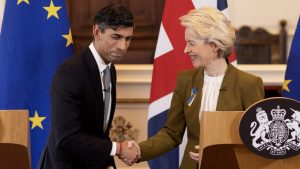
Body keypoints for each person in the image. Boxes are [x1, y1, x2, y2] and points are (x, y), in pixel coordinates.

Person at [120, 7, 264, 169]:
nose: (186, 49)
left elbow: (257, 140)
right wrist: (140, 150)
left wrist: (218, 154)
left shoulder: (249, 84)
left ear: (214, 45)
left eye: (191, 43)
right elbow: (171, 134)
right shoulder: (186, 81)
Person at [38, 4, 139, 169]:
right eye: (116, 37)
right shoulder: (70, 72)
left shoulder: (109, 69)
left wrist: (107, 163)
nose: (123, 46)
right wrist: (118, 148)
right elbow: (67, 138)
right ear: (97, 32)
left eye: (128, 39)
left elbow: (99, 132)